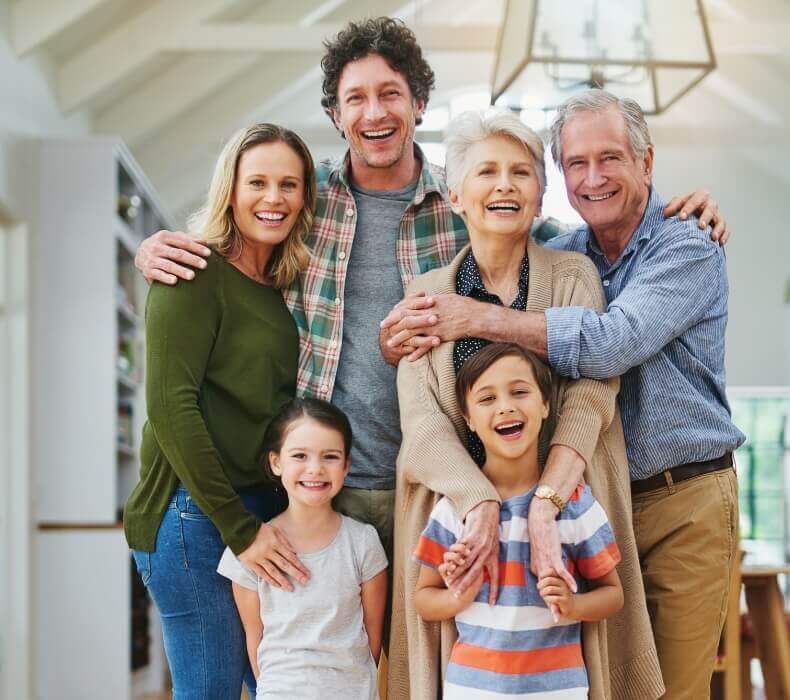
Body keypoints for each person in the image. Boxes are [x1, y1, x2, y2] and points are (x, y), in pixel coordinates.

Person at [133, 17, 729, 589]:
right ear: (335, 115)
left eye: (390, 94)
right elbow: (238, 234)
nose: (375, 113)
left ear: (419, 103)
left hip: (447, 486)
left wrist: (674, 205)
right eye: (356, 98)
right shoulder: (304, 201)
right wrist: (156, 246)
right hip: (322, 483)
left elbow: (576, 235)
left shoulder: (467, 195)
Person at [385, 90, 744, 699]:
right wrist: (484, 504)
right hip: (470, 532)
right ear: (454, 194)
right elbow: (421, 424)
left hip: (639, 503)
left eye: (521, 172)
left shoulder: (670, 247)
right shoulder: (447, 286)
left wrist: (544, 500)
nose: (594, 177)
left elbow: (599, 368)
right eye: (577, 163)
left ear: (647, 163)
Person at [123, 123, 316, 698]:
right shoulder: (191, 270)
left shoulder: (280, 283)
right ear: (230, 189)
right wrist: (240, 529)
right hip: (192, 515)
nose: (273, 198)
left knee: (273, 686)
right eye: (257, 181)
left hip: (259, 508)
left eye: (289, 184)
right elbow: (170, 407)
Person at [414, 342, 624, 699]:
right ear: (468, 419)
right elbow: (424, 599)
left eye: (519, 392)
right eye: (487, 399)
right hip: (471, 691)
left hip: (559, 692)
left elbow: (613, 595)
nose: (506, 406)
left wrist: (573, 606)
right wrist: (457, 595)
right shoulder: (454, 511)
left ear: (545, 406)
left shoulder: (575, 504)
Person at [217, 398, 388, 700]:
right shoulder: (247, 553)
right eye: (299, 455)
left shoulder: (363, 542)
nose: (315, 469)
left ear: (347, 465)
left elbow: (373, 640)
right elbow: (254, 640)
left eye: (330, 457)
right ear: (276, 462)